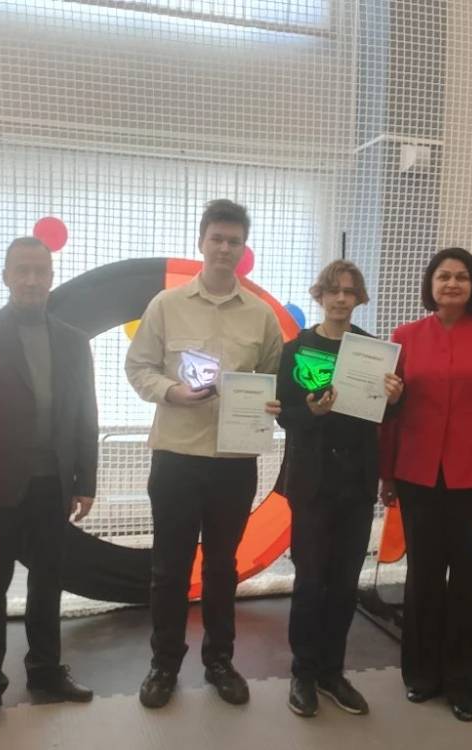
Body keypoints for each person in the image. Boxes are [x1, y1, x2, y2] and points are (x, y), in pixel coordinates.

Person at [125, 199, 284, 709]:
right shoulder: (166, 305)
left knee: (221, 567)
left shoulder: (260, 315)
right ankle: (164, 665)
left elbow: (274, 378)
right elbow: (138, 367)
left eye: (234, 241)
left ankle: (219, 662)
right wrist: (173, 392)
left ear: (243, 249)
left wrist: (273, 402)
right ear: (201, 241)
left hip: (235, 463)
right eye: (217, 238)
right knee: (169, 570)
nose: (224, 248)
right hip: (176, 457)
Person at [0, 237, 99, 739]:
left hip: (53, 485)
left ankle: (46, 671)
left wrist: (86, 480)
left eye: (41, 271)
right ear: (6, 276)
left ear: (51, 277)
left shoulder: (74, 340)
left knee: (48, 584)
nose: (32, 280)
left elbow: (85, 414)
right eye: (23, 270)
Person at [379, 247, 472, 722]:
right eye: (443, 276)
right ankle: (421, 675)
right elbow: (390, 412)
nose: (451, 284)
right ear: (430, 285)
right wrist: (387, 474)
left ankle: (468, 685)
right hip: (418, 478)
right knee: (423, 578)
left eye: (461, 277)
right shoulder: (404, 337)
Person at [276, 260, 403, 718]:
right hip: (311, 481)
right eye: (333, 290)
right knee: (311, 579)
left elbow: (385, 416)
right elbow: (283, 414)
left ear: (359, 298)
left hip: (356, 482)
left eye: (350, 291)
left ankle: (332, 672)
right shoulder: (296, 349)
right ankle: (303, 672)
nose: (341, 298)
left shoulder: (374, 352)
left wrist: (395, 398)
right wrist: (310, 412)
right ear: (321, 295)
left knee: (345, 583)